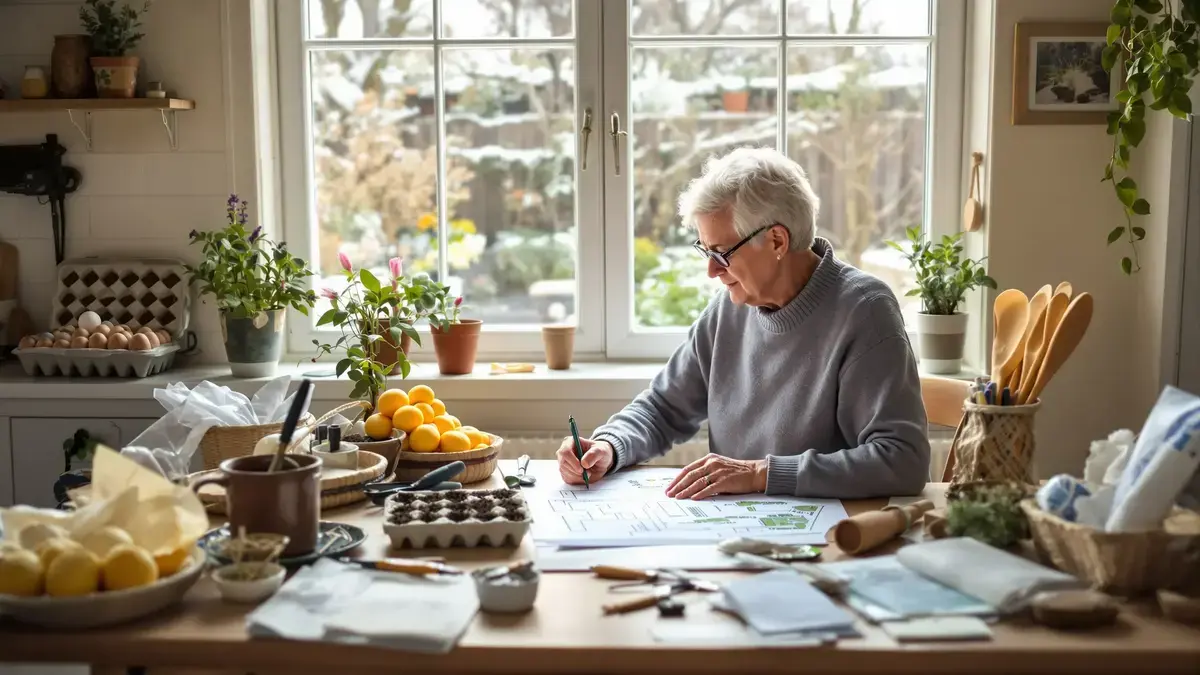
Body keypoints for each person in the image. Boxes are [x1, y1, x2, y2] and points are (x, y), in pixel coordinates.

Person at [556, 146, 930, 500]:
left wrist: (760, 474)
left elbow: (902, 460)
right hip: (739, 528)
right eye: (705, 251)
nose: (710, 270)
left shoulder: (864, 311)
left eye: (721, 253)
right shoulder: (728, 310)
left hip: (836, 539)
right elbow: (662, 409)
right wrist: (609, 445)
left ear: (777, 241)